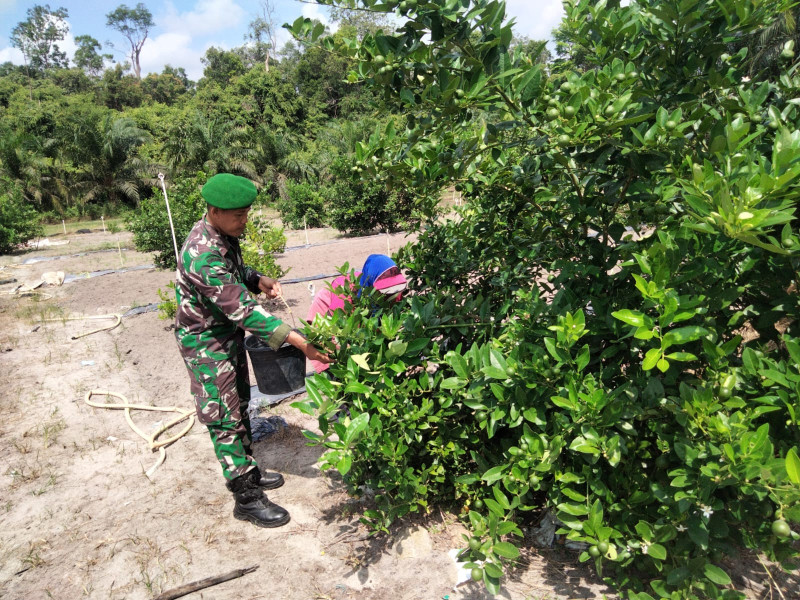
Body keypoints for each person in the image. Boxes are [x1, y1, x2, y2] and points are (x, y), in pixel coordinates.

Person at [175, 173, 330, 528]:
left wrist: (255, 278)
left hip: (225, 337)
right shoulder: (201, 254)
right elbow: (243, 310)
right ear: (214, 211)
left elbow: (235, 271)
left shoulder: (223, 236)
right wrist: (301, 343)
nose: (244, 221)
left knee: (241, 403)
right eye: (238, 215)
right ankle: (245, 497)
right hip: (205, 345)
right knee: (223, 417)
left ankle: (249, 469)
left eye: (246, 214)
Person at [306, 253, 407, 375]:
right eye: (384, 291)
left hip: (357, 318)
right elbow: (339, 332)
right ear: (371, 283)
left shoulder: (395, 289)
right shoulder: (344, 296)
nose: (390, 295)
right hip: (328, 315)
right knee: (335, 361)